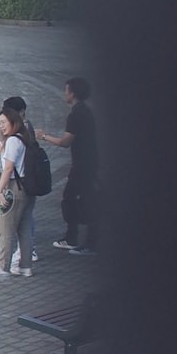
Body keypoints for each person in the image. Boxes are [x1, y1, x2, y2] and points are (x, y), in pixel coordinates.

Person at [39, 77, 98, 255]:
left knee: (72, 199)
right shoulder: (86, 111)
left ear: (72, 93)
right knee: (81, 199)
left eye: (66, 90)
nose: (65, 93)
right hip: (89, 163)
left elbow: (66, 142)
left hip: (82, 165)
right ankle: (79, 237)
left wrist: (44, 136)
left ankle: (79, 239)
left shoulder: (75, 115)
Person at [0, 106, 36, 279]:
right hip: (27, 188)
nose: (1, 127)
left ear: (13, 121)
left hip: (14, 187)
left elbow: (8, 168)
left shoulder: (12, 141)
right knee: (24, 228)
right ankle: (25, 266)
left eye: (3, 122)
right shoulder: (25, 138)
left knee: (5, 228)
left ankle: (2, 265)